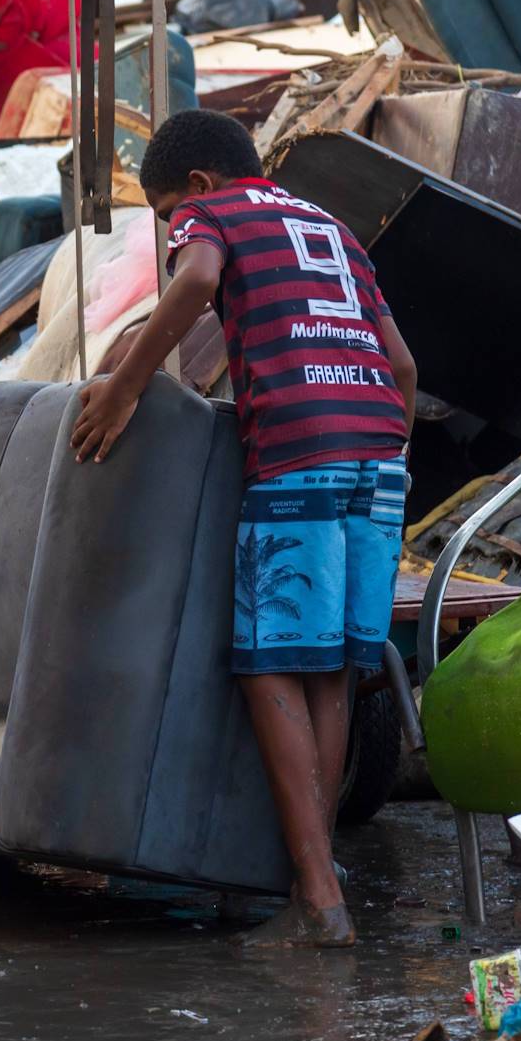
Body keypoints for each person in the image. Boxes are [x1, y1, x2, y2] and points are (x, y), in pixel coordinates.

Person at [69, 110, 417, 949]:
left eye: (164, 212)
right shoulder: (330, 225)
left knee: (270, 668)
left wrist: (125, 388)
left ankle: (319, 897)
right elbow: (404, 367)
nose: (169, 228)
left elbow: (195, 281)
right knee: (330, 669)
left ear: (196, 185)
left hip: (298, 447)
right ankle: (314, 886)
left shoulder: (213, 213)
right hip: (379, 454)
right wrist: (377, 452)